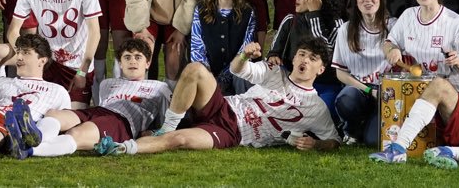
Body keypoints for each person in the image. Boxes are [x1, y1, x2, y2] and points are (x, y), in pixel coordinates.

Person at [95, 38, 340, 154]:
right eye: (302, 54)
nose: (305, 60)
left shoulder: (315, 107)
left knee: (179, 140)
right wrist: (245, 55)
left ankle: (121, 148)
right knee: (195, 69)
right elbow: (238, 69)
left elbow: (334, 140)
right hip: (223, 106)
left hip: (233, 131)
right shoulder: (275, 72)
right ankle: (164, 127)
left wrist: (316, 144)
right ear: (294, 58)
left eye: (312, 58)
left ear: (320, 69)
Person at [5, 38, 170, 158]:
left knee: (77, 133)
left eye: (138, 57)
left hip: (122, 122)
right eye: (127, 57)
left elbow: (168, 122)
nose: (132, 61)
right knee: (54, 114)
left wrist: (152, 132)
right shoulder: (107, 84)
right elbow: (102, 106)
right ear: (120, 63)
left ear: (148, 63)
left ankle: (29, 149)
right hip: (99, 111)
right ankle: (32, 138)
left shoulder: (159, 87)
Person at [8, 0, 103, 107]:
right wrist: (26, 56)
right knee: (40, 112)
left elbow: (95, 32)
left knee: (72, 116)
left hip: (77, 66)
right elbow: (13, 30)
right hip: (48, 63)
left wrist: (83, 71)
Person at [381, 0, 459, 96]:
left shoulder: (457, 22)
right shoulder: (407, 15)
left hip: (451, 88)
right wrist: (392, 49)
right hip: (415, 87)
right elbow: (388, 43)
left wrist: (457, 60)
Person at [332, 0, 396, 145]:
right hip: (360, 89)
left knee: (372, 140)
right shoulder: (346, 29)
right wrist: (368, 90)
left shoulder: (394, 26)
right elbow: (340, 73)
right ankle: (351, 128)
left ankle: (367, 126)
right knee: (346, 100)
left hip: (387, 90)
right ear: (356, 1)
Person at [269, 0, 345, 111]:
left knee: (322, 111)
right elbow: (274, 52)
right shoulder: (290, 20)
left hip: (325, 85)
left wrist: (314, 14)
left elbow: (326, 53)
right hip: (292, 84)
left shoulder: (336, 23)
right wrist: (273, 56)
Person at [188, 0, 259, 94]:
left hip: (236, 74)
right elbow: (197, 49)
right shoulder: (201, 9)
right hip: (208, 75)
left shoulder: (248, 11)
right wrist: (209, 78)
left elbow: (245, 50)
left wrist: (224, 79)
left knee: (244, 72)